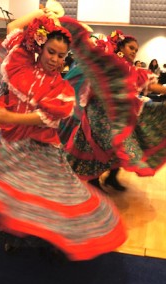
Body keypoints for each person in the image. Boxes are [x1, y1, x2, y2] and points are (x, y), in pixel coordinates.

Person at [0, 6, 127, 261]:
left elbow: (50, 117)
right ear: (40, 48)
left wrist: (12, 117)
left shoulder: (61, 87)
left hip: (43, 151)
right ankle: (16, 238)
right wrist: (43, 15)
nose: (54, 59)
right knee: (7, 198)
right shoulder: (21, 67)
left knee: (50, 200)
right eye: (50, 52)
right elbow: (13, 29)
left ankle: (51, 240)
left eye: (61, 55)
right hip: (13, 146)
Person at [59, 29, 166, 192]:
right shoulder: (107, 63)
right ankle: (94, 180)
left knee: (123, 144)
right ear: (121, 47)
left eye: (136, 50)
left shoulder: (132, 71)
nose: (134, 52)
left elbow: (150, 85)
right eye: (131, 48)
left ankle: (111, 177)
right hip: (98, 112)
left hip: (119, 115)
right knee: (106, 142)